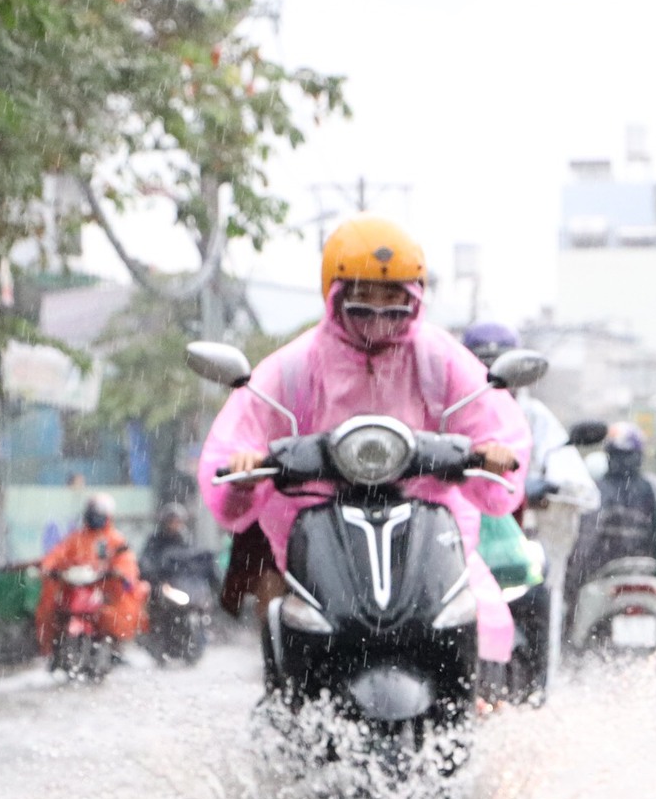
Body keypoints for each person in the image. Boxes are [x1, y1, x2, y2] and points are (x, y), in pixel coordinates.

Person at [197, 215, 528, 670]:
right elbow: (238, 438)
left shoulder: (441, 359)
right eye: (362, 302)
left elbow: (490, 422)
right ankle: (285, 702)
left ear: (415, 299)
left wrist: (492, 454)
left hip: (427, 529)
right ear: (334, 297)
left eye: (393, 302)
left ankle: (477, 704)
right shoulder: (295, 366)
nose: (378, 317)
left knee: (478, 619)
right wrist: (242, 467)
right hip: (317, 530)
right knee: (283, 615)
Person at [461, 321, 600, 653]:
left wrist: (547, 488)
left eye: (502, 363)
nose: (493, 372)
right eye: (482, 362)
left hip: (515, 542)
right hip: (456, 541)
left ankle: (535, 692)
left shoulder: (533, 416)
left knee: (538, 595)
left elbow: (577, 484)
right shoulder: (449, 410)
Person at [35, 493, 148, 653]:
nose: (95, 517)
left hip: (103, 589)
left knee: (120, 611)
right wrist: (48, 566)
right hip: (75, 588)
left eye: (98, 513)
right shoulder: (76, 538)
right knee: (50, 608)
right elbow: (57, 553)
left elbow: (126, 561)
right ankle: (50, 648)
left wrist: (119, 572)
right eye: (92, 513)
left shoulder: (115, 539)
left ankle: (117, 644)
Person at [566, 422, 656, 612]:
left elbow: (587, 538)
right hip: (646, 570)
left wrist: (572, 578)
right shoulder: (652, 489)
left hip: (602, 573)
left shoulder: (599, 490)